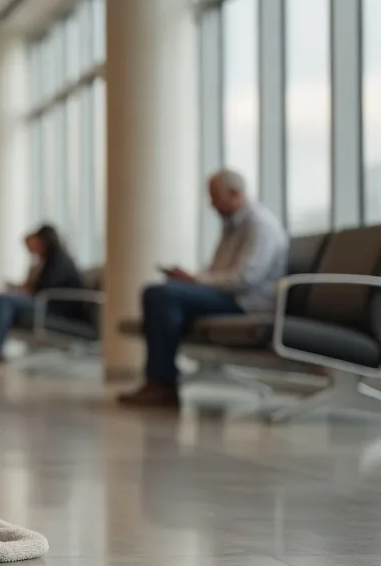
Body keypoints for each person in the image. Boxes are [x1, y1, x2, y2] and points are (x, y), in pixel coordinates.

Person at [118, 169, 288, 408]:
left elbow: (245, 279)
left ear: (235, 194)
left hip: (246, 302)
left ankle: (162, 383)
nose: (211, 204)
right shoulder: (233, 227)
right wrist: (191, 279)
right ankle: (161, 379)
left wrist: (195, 281)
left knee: (160, 295)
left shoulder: (260, 225)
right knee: (166, 293)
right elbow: (219, 271)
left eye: (215, 197)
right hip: (228, 296)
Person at [0, 224, 85, 360]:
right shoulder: (49, 260)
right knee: (3, 299)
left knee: (4, 300)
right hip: (46, 302)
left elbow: (42, 288)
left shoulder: (60, 261)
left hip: (54, 307)